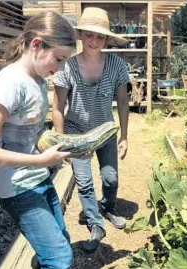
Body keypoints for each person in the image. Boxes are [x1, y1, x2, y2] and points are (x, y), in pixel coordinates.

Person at [0, 11, 76, 269]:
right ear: (36, 45)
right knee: (59, 258)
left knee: (60, 243)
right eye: (59, 59)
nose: (60, 68)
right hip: (16, 187)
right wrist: (41, 160)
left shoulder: (36, 79)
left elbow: (29, 131)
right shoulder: (8, 84)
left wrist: (62, 147)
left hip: (37, 175)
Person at [52, 7, 130, 252]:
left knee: (111, 177)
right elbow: (57, 107)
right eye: (88, 34)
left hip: (106, 130)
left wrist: (125, 135)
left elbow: (123, 101)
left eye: (100, 36)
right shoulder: (68, 67)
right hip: (77, 133)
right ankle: (96, 223)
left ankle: (107, 207)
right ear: (81, 35)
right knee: (84, 182)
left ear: (106, 39)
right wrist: (61, 141)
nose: (94, 41)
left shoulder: (117, 64)